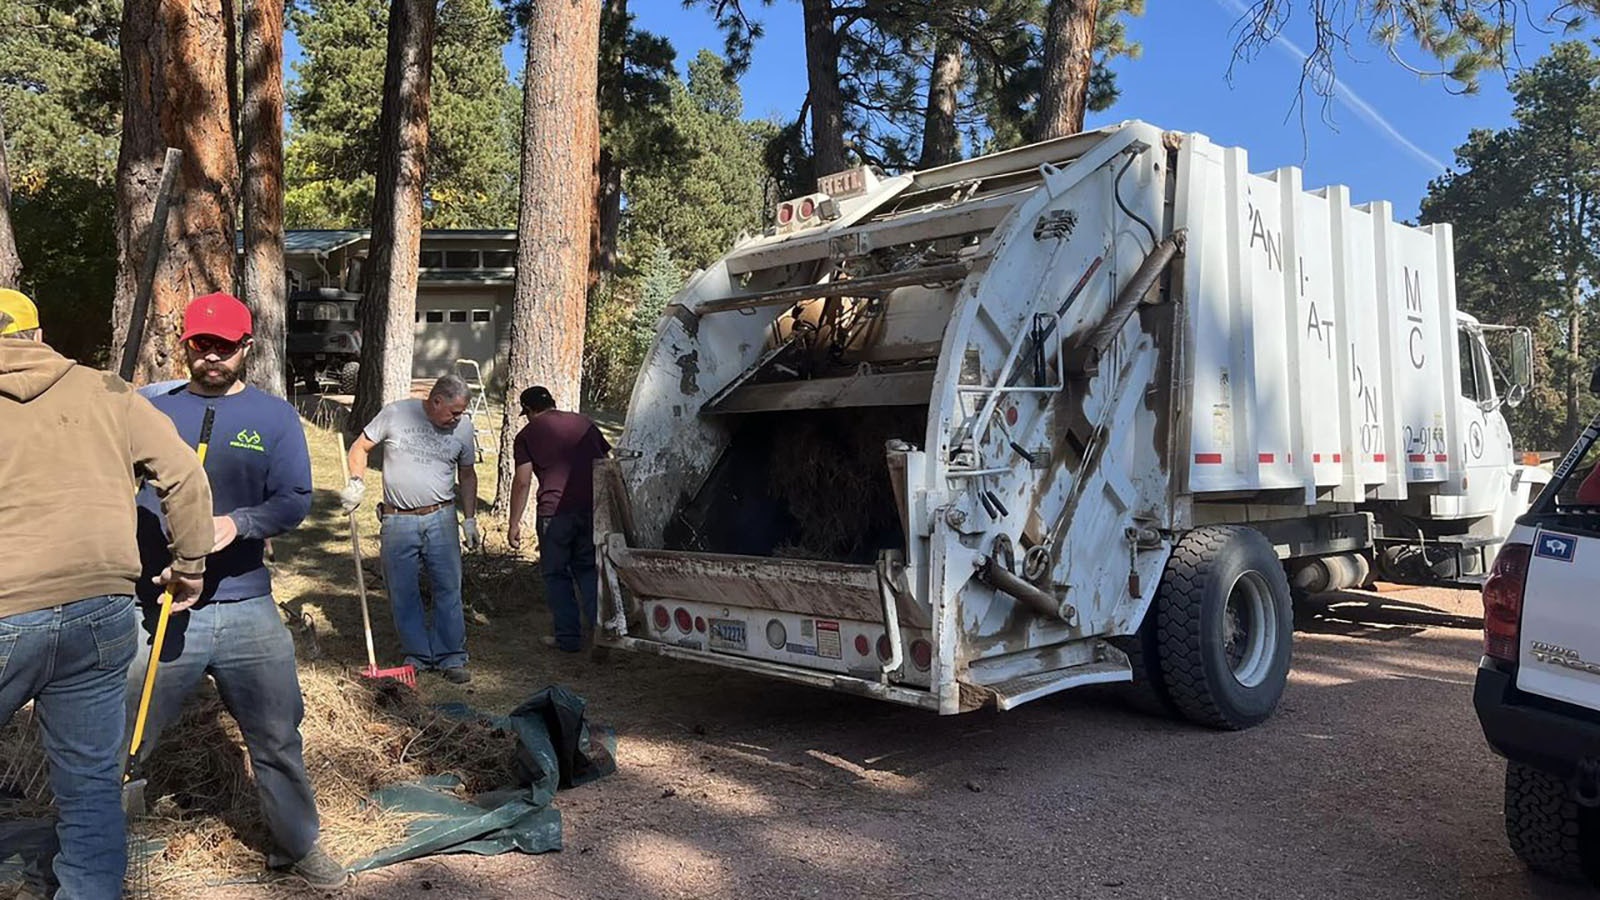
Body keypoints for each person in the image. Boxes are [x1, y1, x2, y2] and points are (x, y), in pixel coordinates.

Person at [125, 292, 347, 890]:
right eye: (202, 345)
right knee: (128, 731)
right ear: (186, 345)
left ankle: (298, 845)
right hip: (161, 605)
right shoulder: (148, 407)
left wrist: (237, 524)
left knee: (277, 732)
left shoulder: (274, 418)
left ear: (247, 347)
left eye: (226, 347)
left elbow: (295, 500)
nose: (213, 357)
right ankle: (105, 844)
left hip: (247, 603)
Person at [0, 288, 214, 899]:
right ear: (38, 337)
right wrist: (190, 565)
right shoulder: (106, 390)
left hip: (6, 607)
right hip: (102, 610)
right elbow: (184, 473)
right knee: (91, 782)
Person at [342, 375, 481, 682]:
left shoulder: (464, 428)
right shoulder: (396, 414)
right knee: (402, 589)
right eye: (454, 411)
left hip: (441, 518)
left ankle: (450, 657)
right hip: (397, 520)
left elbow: (468, 475)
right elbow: (360, 448)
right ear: (436, 401)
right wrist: (356, 483)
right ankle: (418, 654)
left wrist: (469, 519)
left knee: (448, 587)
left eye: (461, 413)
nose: (458, 418)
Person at [507, 386, 612, 654]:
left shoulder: (527, 434)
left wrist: (514, 523)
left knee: (556, 574)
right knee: (588, 569)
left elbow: (522, 480)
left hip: (554, 513)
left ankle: (568, 638)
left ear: (529, 410)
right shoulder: (584, 423)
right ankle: (601, 632)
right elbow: (606, 463)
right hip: (591, 508)